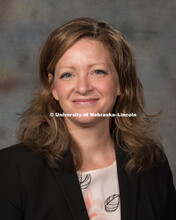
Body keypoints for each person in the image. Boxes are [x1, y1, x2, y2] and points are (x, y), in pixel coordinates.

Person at [0, 17, 175, 220]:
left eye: (97, 72)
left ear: (120, 82)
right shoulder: (10, 169)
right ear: (53, 87)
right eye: (68, 75)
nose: (83, 87)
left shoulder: (151, 163)